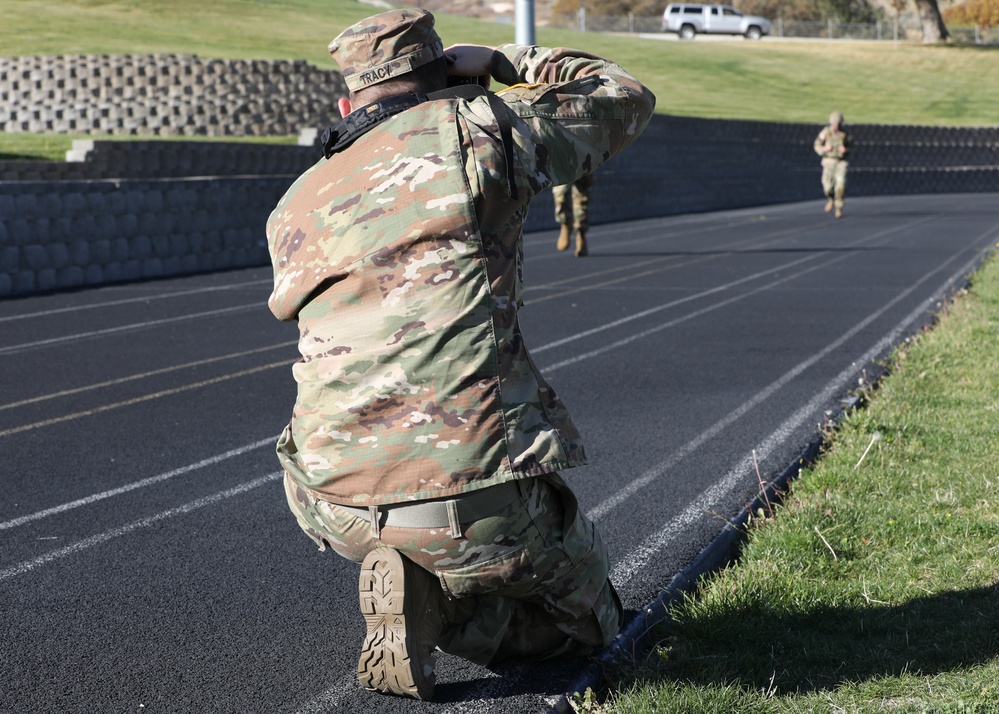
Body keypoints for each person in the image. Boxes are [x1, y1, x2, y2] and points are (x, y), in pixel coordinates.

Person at [265, 8, 654, 701]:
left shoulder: (296, 201)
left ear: (345, 105)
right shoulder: (479, 128)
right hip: (470, 498)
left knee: (458, 550)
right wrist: (507, 62)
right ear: (445, 76)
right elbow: (620, 96)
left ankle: (418, 579)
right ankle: (443, 604)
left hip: (328, 502)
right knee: (594, 629)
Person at [813, 110, 852, 218]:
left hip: (841, 162)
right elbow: (816, 145)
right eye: (834, 124)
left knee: (840, 185)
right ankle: (831, 199)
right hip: (829, 162)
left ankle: (839, 207)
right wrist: (824, 149)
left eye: (838, 124)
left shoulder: (846, 134)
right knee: (827, 187)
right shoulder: (825, 133)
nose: (836, 126)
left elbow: (852, 147)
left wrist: (846, 150)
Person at [553, 173, 594, 256]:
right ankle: (565, 224)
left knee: (582, 194)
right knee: (560, 191)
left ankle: (580, 232)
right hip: (562, 161)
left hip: (583, 161)